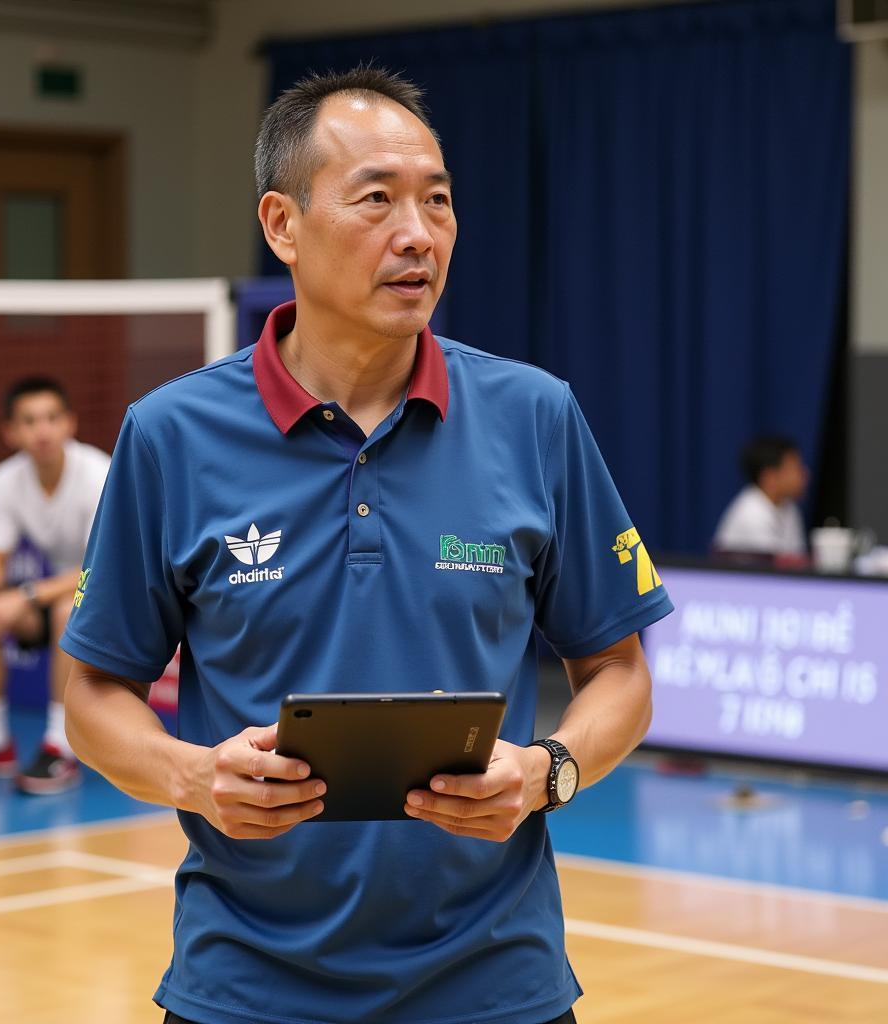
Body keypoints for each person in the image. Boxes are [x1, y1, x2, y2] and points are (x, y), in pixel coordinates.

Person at [61, 67, 673, 1024]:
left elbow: (622, 674)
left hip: (496, 987)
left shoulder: (536, 417)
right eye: (378, 199)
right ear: (283, 224)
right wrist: (192, 774)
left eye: (438, 201)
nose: (419, 234)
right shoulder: (170, 434)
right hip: (245, 988)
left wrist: (546, 770)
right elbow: (94, 696)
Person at [0, 376, 110, 794]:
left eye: (51, 418)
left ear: (70, 424)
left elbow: (99, 569)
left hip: (114, 595)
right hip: (62, 590)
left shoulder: (99, 473)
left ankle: (61, 747)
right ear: (10, 432)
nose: (42, 430)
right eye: (29, 421)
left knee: (69, 611)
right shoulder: (5, 480)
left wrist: (25, 595)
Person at [712, 435, 809, 556]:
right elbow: (773, 571)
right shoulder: (751, 513)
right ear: (769, 477)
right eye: (795, 468)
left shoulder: (789, 507)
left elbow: (796, 558)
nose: (804, 474)